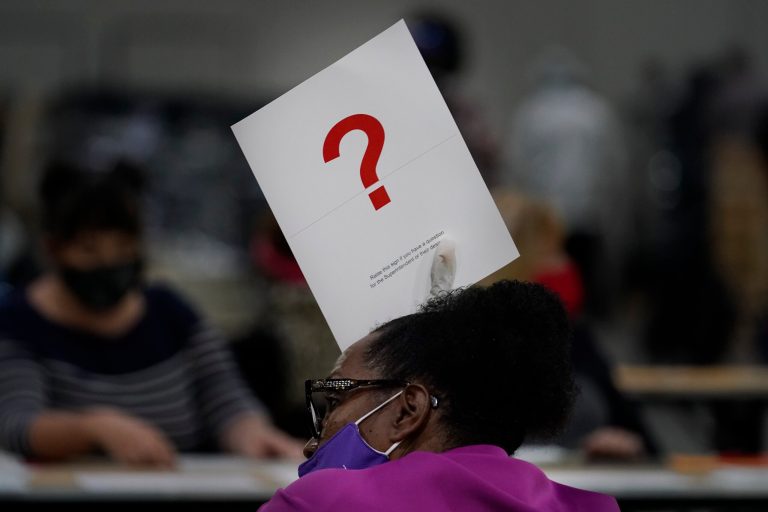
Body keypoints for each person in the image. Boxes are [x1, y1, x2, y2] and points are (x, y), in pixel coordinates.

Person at [0, 160, 302, 466]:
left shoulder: (170, 313)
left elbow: (225, 401)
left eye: (123, 247)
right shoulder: (20, 323)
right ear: (54, 249)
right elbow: (16, 424)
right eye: (89, 249)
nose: (109, 262)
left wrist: (254, 435)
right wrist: (92, 428)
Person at [259, 280, 619, 511]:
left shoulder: (321, 503)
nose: (311, 445)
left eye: (336, 400)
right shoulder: (588, 508)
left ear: (407, 411)